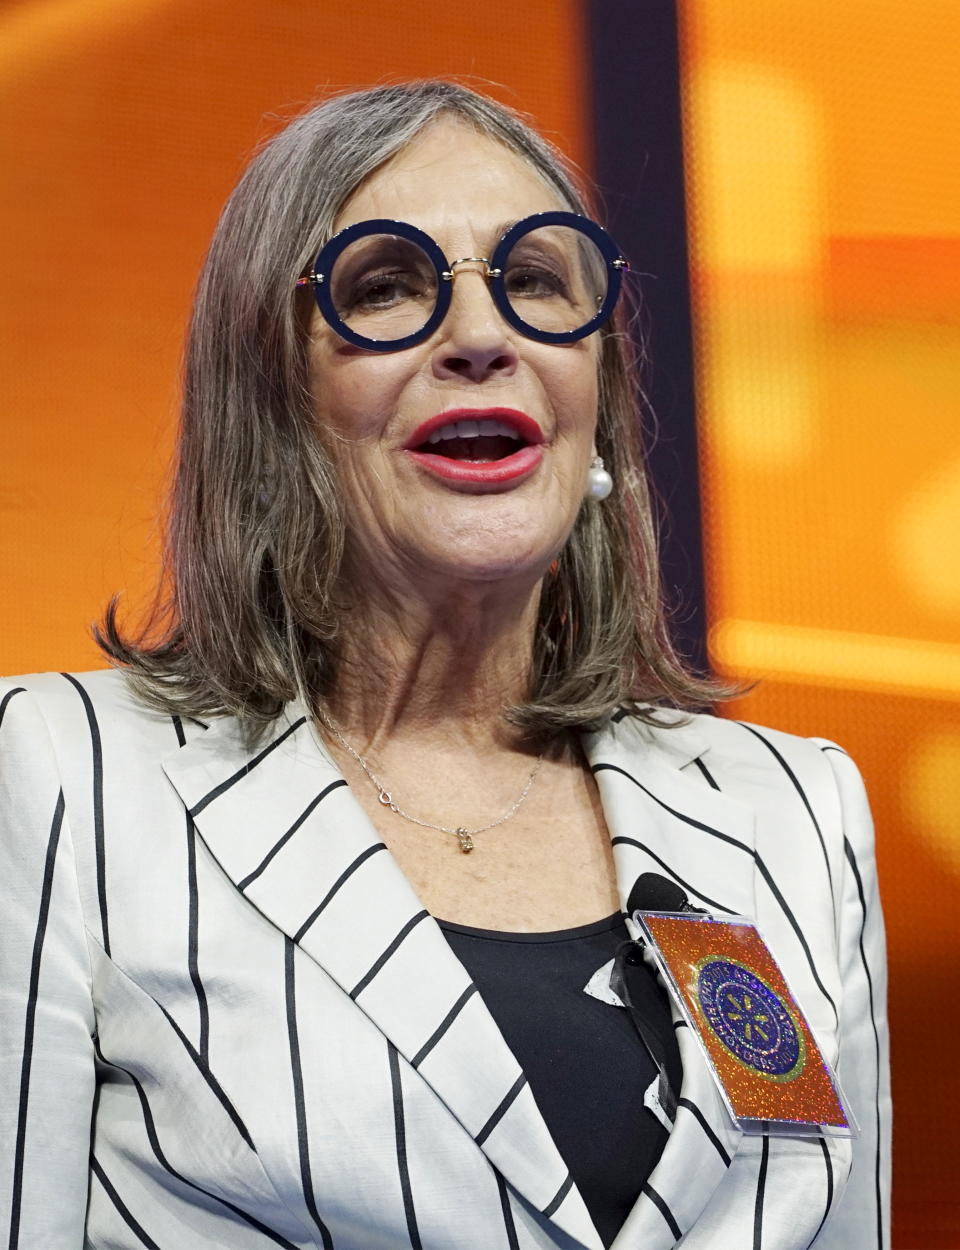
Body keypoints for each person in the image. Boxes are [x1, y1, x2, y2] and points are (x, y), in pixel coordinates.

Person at [0, 81, 889, 1250]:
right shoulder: (58, 777)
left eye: (533, 280)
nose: (483, 335)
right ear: (273, 401)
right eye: (386, 287)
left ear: (599, 399)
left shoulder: (795, 809)